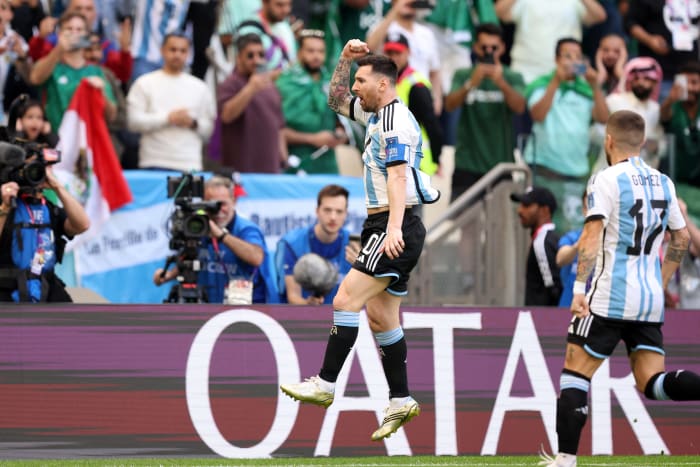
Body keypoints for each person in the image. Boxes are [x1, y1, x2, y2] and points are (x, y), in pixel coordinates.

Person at [280, 39, 440, 441]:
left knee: (345, 300)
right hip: (384, 223)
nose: (355, 87)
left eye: (362, 80)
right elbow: (335, 99)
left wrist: (394, 228)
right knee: (382, 318)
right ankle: (401, 400)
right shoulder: (376, 115)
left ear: (384, 85)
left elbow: (400, 177)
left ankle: (326, 384)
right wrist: (345, 61)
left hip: (393, 223)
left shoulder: (395, 121)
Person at [541, 110, 699, 467]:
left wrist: (579, 287)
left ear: (608, 141)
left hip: (609, 296)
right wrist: (660, 282)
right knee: (652, 382)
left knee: (574, 372)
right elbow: (682, 237)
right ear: (642, 142)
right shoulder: (664, 181)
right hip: (648, 300)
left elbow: (592, 236)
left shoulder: (605, 179)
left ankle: (565, 458)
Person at [524, 37, 608, 233]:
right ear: (556, 60)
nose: (573, 61)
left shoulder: (586, 89)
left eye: (577, 56)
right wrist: (556, 81)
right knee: (541, 232)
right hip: (544, 171)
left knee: (571, 232)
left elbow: (604, 118)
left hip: (575, 175)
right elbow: (537, 114)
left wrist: (595, 86)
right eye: (567, 56)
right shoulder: (541, 84)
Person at [153, 175, 278, 304]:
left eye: (222, 204)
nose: (218, 211)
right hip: (209, 306)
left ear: (234, 201)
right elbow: (191, 259)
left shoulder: (245, 229)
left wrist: (221, 236)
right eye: (211, 204)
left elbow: (256, 258)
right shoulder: (199, 226)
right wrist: (169, 275)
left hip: (245, 309)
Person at [444, 22, 525, 200]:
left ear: (502, 48)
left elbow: (520, 107)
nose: (489, 52)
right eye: (484, 47)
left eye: (494, 47)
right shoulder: (463, 75)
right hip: (467, 165)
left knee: (501, 225)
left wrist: (501, 83)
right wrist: (470, 83)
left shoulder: (513, 77)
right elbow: (449, 105)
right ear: (475, 48)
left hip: (501, 166)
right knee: (466, 226)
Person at [0, 149, 90, 302]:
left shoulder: (48, 209)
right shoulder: (5, 205)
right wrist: (5, 208)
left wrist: (57, 187)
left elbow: (82, 224)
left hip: (46, 287)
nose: (33, 173)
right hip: (7, 290)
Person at [127, 33, 216, 172]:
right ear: (162, 50)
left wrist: (193, 123)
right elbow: (133, 122)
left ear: (189, 53)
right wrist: (168, 118)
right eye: (173, 49)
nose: (177, 55)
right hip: (153, 161)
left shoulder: (200, 87)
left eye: (183, 51)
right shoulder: (144, 83)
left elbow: (209, 129)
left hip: (190, 164)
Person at [28, 11, 117, 132]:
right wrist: (59, 49)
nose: (74, 33)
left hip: (86, 141)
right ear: (59, 34)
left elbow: (111, 116)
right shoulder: (51, 64)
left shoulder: (96, 71)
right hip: (55, 139)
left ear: (86, 35)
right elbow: (35, 78)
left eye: (79, 29)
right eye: (69, 28)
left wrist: (101, 92)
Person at [276, 29, 348, 174]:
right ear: (299, 52)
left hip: (327, 163)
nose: (316, 56)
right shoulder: (284, 83)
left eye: (321, 51)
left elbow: (342, 122)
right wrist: (313, 139)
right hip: (295, 162)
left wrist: (340, 133)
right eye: (311, 51)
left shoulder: (332, 83)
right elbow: (276, 130)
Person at [275, 184, 356, 305]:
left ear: (346, 214)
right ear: (317, 211)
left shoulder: (355, 245)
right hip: (304, 320)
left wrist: (362, 269)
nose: (333, 217)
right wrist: (308, 304)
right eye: (327, 210)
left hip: (345, 318)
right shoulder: (293, 244)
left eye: (339, 212)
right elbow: (293, 296)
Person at [217, 33, 286, 173]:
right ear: (238, 58)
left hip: (271, 168)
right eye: (250, 55)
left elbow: (278, 125)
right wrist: (251, 88)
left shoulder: (270, 86)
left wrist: (283, 155)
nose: (257, 60)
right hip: (241, 170)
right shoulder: (231, 83)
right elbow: (226, 115)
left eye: (261, 55)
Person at [383, 31, 443, 177]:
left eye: (398, 52)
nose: (394, 57)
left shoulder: (416, 85)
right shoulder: (384, 82)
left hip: (415, 162)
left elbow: (431, 124)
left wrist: (437, 158)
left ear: (408, 53)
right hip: (391, 160)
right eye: (390, 52)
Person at [510, 186, 561, 307]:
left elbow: (554, 289)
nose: (520, 211)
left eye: (526, 206)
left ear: (544, 210)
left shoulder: (542, 242)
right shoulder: (548, 239)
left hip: (543, 321)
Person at [660, 60, 700, 188]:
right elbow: (664, 116)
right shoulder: (673, 107)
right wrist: (670, 99)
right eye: (684, 83)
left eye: (694, 83)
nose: (689, 88)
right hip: (678, 178)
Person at [555, 190, 587, 308]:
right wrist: (579, 245)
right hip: (568, 310)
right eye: (588, 207)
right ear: (583, 210)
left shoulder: (613, 243)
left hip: (599, 315)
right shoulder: (572, 237)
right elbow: (560, 259)